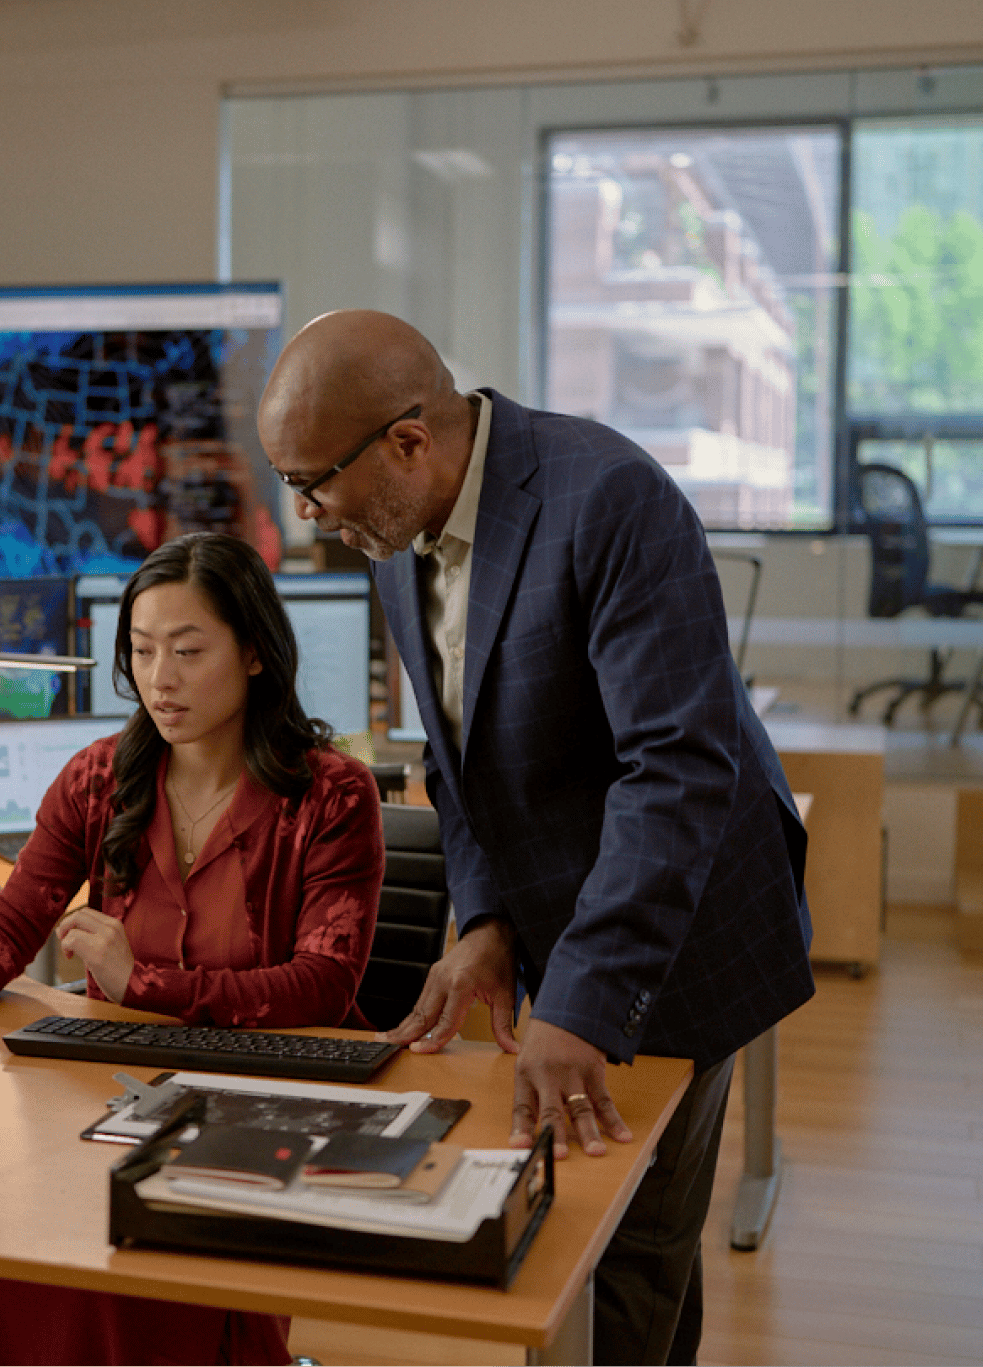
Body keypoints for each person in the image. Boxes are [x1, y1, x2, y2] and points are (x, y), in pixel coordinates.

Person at [256, 310, 814, 1367]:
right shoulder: (390, 528)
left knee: (630, 1243)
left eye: (311, 482)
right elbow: (453, 757)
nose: (303, 514)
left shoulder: (608, 498)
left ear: (408, 443)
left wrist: (585, 996)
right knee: (586, 1234)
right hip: (560, 896)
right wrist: (486, 917)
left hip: (679, 917)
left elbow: (678, 770)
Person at [0, 531, 384, 1367]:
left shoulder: (332, 793)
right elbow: (9, 927)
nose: (160, 678)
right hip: (113, 1087)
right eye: (143, 650)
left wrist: (142, 979)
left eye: (189, 651)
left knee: (128, 1265)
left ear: (256, 653)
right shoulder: (99, 776)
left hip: (260, 1095)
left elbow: (324, 987)